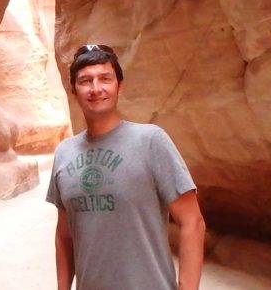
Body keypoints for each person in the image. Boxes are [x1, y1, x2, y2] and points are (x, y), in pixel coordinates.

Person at [46, 44, 205, 290]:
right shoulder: (64, 153)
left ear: (119, 86)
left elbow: (192, 222)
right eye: (86, 81)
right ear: (73, 91)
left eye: (105, 79)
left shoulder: (151, 141)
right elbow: (64, 236)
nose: (96, 88)